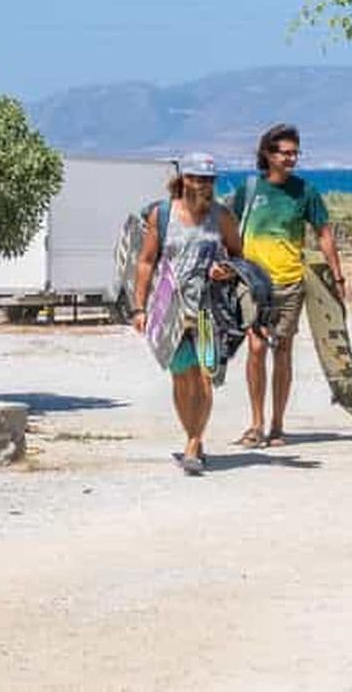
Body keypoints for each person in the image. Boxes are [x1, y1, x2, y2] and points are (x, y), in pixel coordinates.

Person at [231, 123, 345, 447]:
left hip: (290, 282)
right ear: (268, 154)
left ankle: (278, 425)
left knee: (282, 351)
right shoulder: (249, 190)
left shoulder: (305, 191)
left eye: (296, 152)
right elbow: (229, 229)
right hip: (252, 283)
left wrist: (336, 277)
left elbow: (324, 233)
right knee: (255, 349)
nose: (292, 158)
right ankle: (256, 423)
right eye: (286, 152)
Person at [133, 152, 242, 476]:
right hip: (170, 310)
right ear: (183, 179)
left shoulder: (222, 217)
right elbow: (146, 261)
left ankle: (194, 442)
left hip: (208, 308)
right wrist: (139, 307)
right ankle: (191, 435)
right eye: (196, 177)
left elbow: (239, 256)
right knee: (182, 378)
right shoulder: (162, 215)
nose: (202, 184)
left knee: (205, 375)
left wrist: (228, 270)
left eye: (208, 179)